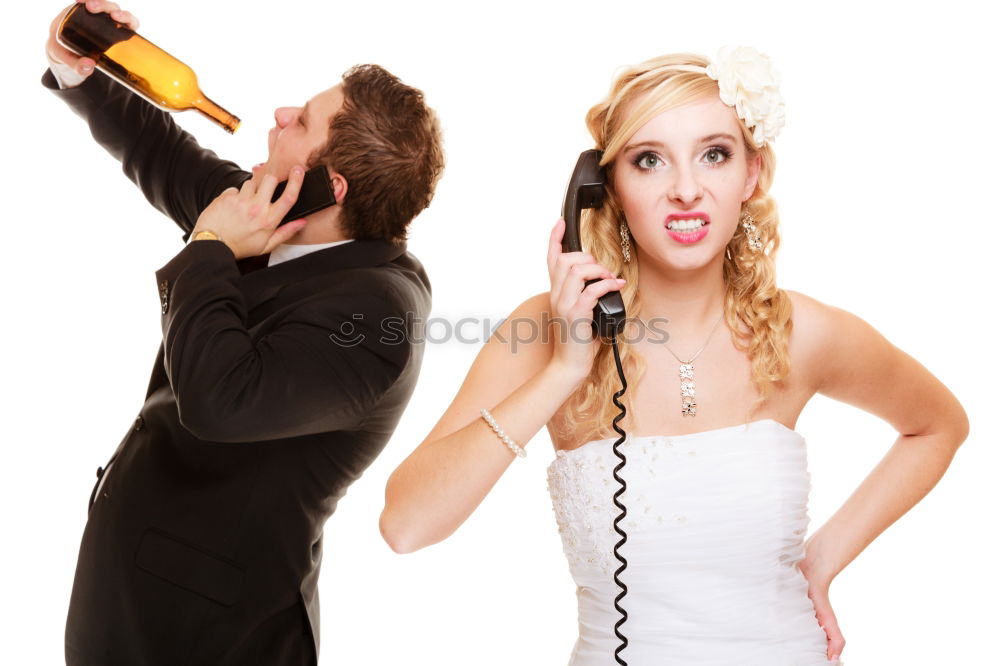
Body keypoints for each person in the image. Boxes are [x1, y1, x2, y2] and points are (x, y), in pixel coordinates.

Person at [379, 47, 969, 665]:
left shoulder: (803, 331)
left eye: (714, 155)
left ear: (751, 175)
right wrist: (564, 369)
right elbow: (406, 525)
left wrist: (821, 561)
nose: (686, 190)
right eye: (650, 161)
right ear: (604, 188)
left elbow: (938, 425)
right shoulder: (545, 326)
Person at [44, 1, 444, 664]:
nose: (282, 114)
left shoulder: (379, 318)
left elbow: (219, 401)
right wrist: (78, 64)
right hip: (127, 605)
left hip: (212, 638)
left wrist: (209, 249)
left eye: (304, 121)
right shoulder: (276, 220)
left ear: (329, 186)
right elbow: (162, 152)